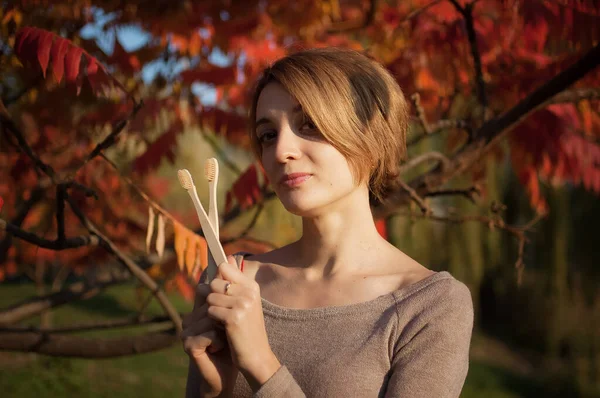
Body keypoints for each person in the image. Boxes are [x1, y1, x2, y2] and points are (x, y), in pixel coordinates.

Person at [181, 47, 474, 397]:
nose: (280, 151)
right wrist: (214, 389)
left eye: (309, 125)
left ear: (371, 138)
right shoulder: (233, 280)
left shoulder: (429, 306)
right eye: (268, 135)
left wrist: (262, 366)